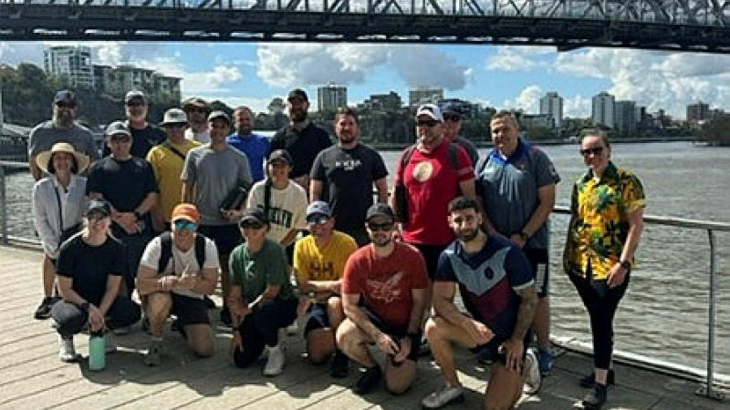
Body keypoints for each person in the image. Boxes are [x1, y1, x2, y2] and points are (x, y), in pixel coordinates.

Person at [422, 196, 540, 410]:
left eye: (469, 218)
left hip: (511, 336)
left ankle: (526, 360)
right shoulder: (449, 257)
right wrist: (467, 323)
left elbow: (530, 299)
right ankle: (452, 385)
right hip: (480, 331)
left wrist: (517, 339)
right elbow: (440, 302)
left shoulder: (507, 251)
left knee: (494, 407)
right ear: (449, 222)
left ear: (479, 218)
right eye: (458, 220)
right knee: (433, 327)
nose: (464, 225)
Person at [563, 132, 645, 410]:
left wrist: (623, 263)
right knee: (599, 318)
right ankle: (605, 369)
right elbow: (577, 221)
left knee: (601, 320)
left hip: (610, 266)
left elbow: (636, 225)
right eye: (585, 152)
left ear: (608, 150)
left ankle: (600, 386)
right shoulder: (581, 183)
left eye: (596, 150)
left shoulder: (626, 181)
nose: (591, 157)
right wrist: (566, 258)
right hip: (580, 264)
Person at [476, 110, 561, 376]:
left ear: (517, 129)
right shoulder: (485, 162)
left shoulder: (535, 157)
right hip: (497, 246)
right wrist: (492, 234)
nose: (500, 135)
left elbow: (547, 202)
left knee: (537, 295)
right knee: (499, 295)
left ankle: (544, 349)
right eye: (495, 131)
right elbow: (478, 204)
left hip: (532, 244)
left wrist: (522, 236)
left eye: (505, 129)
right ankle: (500, 343)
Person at [337, 203, 428, 395]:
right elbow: (349, 305)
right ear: (366, 228)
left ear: (395, 227)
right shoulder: (357, 260)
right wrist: (377, 335)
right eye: (374, 226)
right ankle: (372, 366)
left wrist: (410, 337)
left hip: (405, 325)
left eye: (385, 226)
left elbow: (420, 301)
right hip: (376, 319)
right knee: (344, 336)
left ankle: (406, 358)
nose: (380, 231)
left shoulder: (413, 256)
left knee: (396, 387)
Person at [390, 103, 477, 280]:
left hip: (446, 239)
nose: (424, 128)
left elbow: (470, 198)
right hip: (411, 238)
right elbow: (396, 194)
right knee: (417, 299)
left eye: (430, 123)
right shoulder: (407, 156)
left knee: (442, 299)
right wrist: (394, 227)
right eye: (420, 123)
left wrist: (468, 232)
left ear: (441, 126)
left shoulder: (456, 154)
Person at [182, 111, 252, 325]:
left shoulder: (239, 157)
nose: (218, 130)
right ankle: (197, 304)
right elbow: (187, 187)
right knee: (197, 265)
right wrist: (186, 216)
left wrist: (239, 211)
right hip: (202, 221)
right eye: (214, 126)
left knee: (228, 267)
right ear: (208, 128)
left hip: (228, 223)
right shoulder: (195, 154)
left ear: (228, 129)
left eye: (223, 126)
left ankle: (228, 307)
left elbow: (246, 187)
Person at [51, 200, 141, 362]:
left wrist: (101, 312)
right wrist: (89, 308)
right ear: (85, 219)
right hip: (72, 300)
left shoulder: (117, 248)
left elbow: (113, 287)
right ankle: (66, 338)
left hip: (100, 298)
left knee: (131, 312)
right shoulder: (69, 247)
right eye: (93, 217)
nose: (98, 222)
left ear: (110, 220)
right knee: (70, 320)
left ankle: (100, 331)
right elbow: (64, 290)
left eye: (103, 217)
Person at [136, 203, 219, 366]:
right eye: (178, 224)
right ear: (171, 225)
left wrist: (192, 283)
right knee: (160, 299)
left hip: (190, 296)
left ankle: (183, 324)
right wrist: (162, 283)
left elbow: (210, 287)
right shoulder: (158, 245)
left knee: (205, 349)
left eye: (188, 224)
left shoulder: (207, 246)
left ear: (196, 226)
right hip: (162, 294)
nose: (183, 229)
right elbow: (141, 285)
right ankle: (156, 340)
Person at [87, 121, 159, 295]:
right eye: (115, 140)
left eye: (124, 139)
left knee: (143, 272)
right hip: (111, 230)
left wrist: (134, 215)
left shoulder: (143, 166)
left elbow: (152, 196)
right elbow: (95, 195)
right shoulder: (98, 167)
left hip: (139, 229)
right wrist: (118, 218)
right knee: (116, 276)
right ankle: (123, 310)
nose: (120, 144)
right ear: (108, 142)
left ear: (131, 141)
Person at [228, 208, 297, 376]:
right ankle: (262, 337)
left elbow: (273, 291)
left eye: (256, 226)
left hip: (279, 304)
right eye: (245, 225)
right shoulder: (237, 254)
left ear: (266, 228)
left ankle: (275, 350)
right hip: (251, 306)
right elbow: (234, 294)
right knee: (241, 359)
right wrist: (236, 330)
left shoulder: (275, 251)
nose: (250, 230)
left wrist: (246, 310)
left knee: (265, 310)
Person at [293, 201, 358, 377]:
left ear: (332, 222)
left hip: (343, 303)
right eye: (312, 220)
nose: (317, 225)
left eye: (322, 219)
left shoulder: (346, 243)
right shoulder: (301, 245)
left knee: (334, 303)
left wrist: (315, 289)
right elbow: (302, 284)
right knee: (316, 357)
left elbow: (346, 285)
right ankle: (336, 339)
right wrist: (330, 285)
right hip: (316, 301)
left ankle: (342, 353)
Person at [310, 107, 388, 246]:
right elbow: (315, 192)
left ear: (357, 128)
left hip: (363, 227)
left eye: (351, 124)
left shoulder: (371, 155)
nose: (346, 128)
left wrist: (378, 219)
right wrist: (319, 220)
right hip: (333, 226)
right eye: (342, 124)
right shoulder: (323, 157)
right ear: (335, 127)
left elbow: (382, 189)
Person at [32, 143, 90, 319]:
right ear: (52, 163)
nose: (62, 162)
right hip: (53, 234)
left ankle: (70, 294)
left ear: (73, 162)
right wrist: (50, 241)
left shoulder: (83, 185)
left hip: (76, 234)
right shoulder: (41, 187)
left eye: (66, 158)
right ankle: (48, 297)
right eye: (57, 158)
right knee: (49, 255)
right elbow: (39, 218)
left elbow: (88, 211)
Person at [268, 88, 332, 194]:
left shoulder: (321, 136)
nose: (296, 107)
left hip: (316, 194)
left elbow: (329, 167)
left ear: (307, 105)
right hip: (287, 194)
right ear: (287, 106)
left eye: (299, 103)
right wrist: (292, 182)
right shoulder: (279, 137)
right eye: (292, 103)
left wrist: (311, 179)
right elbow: (270, 168)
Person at [146, 108, 200, 231]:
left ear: (186, 126)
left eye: (179, 125)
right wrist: (156, 215)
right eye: (170, 126)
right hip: (167, 216)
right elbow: (150, 189)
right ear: (164, 128)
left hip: (196, 214)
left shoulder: (199, 149)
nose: (175, 129)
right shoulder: (155, 153)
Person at [28, 90, 99, 181]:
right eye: (61, 105)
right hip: (48, 188)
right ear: (53, 106)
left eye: (70, 106)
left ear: (75, 109)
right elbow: (33, 162)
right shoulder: (38, 133)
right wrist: (41, 185)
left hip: (77, 189)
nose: (66, 109)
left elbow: (93, 163)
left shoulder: (86, 135)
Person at [247, 149, 308, 254]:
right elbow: (250, 221)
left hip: (286, 247)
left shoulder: (299, 193)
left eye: (282, 165)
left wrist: (279, 248)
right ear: (268, 167)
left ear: (290, 168)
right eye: (274, 165)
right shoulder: (258, 189)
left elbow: (298, 227)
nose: (278, 169)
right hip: (259, 245)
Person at [102, 90, 166, 158]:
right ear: (125, 107)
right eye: (131, 104)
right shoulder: (113, 132)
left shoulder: (159, 134)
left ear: (146, 107)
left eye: (140, 104)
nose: (136, 108)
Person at [227, 106, 270, 183]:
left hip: (257, 186)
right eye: (241, 120)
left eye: (247, 119)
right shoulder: (227, 143)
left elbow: (271, 164)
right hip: (234, 187)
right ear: (234, 123)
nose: (245, 122)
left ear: (252, 121)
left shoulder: (262, 141)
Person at [440, 102, 479, 166]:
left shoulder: (469, 149)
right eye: (445, 117)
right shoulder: (429, 146)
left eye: (454, 118)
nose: (449, 122)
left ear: (461, 123)